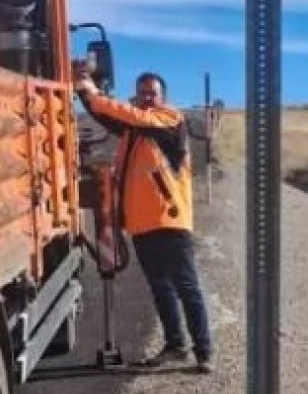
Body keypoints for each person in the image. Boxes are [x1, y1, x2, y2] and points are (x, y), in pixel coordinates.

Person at [73, 67, 213, 373]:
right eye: (142, 92)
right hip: (141, 224)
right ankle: (176, 345)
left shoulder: (168, 120)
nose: (147, 98)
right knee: (161, 289)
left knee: (186, 287)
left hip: (170, 219)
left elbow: (128, 115)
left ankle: (204, 351)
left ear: (163, 97)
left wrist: (94, 93)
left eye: (152, 92)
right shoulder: (134, 131)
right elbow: (108, 117)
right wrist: (86, 93)